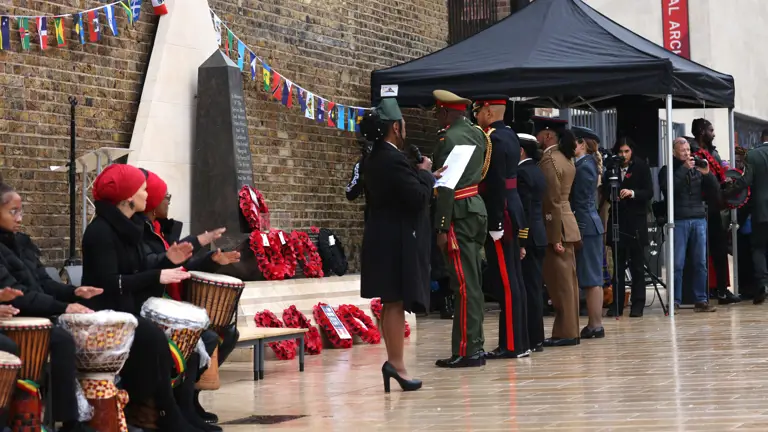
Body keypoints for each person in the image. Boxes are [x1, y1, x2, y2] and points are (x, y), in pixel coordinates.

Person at [80, 164, 207, 432]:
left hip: (127, 308)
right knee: (153, 338)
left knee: (182, 341)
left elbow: (138, 269)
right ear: (128, 197)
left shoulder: (129, 227)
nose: (147, 193)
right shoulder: (99, 232)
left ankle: (167, 410)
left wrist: (166, 260)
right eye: (142, 188)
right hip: (105, 314)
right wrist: (157, 275)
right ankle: (159, 412)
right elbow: (108, 284)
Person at [139, 169, 240, 426]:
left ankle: (190, 398)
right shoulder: (142, 233)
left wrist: (212, 260)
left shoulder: (162, 229)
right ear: (151, 202)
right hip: (150, 307)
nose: (168, 201)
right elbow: (154, 266)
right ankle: (180, 405)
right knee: (202, 336)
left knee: (228, 333)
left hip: (170, 302)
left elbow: (185, 265)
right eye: (165, 196)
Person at [0, 183, 104, 432]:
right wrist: (63, 307)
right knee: (61, 340)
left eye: (21, 211)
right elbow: (18, 297)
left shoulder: (20, 244)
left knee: (83, 332)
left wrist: (73, 292)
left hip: (36, 312)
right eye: (13, 212)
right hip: (17, 316)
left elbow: (43, 282)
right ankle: (69, 421)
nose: (20, 218)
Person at [359, 98, 437, 391]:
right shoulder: (390, 158)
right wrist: (427, 175)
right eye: (403, 124)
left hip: (383, 238)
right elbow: (417, 198)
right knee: (393, 302)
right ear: (395, 127)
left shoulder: (375, 156)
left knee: (393, 302)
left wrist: (421, 176)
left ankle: (396, 364)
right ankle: (396, 364)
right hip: (393, 241)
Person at [432, 90, 488, 368]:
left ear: (445, 113)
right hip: (476, 208)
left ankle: (467, 351)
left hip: (458, 212)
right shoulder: (478, 134)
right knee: (473, 283)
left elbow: (445, 185)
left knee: (463, 286)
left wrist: (441, 227)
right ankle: (475, 344)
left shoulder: (447, 139)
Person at [472, 96, 530, 359]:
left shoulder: (492, 139)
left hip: (502, 213)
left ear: (487, 111)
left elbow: (495, 183)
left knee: (507, 282)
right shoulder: (511, 136)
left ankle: (511, 344)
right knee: (514, 280)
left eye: (478, 112)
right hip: (513, 208)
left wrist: (495, 221)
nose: (477, 117)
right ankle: (520, 340)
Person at [659, 138, 718, 312]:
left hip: (699, 218)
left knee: (700, 262)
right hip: (679, 219)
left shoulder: (698, 167)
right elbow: (668, 190)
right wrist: (684, 170)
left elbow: (714, 191)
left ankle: (701, 300)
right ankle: (674, 301)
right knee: (677, 263)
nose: (686, 153)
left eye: (688, 150)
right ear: (674, 152)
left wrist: (707, 173)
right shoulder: (668, 170)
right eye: (682, 150)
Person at [537, 125, 581, 347]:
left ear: (547, 135)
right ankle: (570, 329)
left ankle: (566, 332)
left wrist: (553, 237)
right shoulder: (565, 158)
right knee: (568, 282)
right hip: (567, 221)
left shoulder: (549, 160)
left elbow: (551, 200)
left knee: (560, 284)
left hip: (557, 226)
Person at [691, 119, 740, 304]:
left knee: (719, 250)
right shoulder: (694, 153)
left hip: (714, 206)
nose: (714, 133)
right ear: (702, 131)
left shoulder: (714, 153)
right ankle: (703, 292)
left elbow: (722, 172)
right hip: (699, 206)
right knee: (700, 252)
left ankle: (721, 290)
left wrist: (726, 180)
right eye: (711, 130)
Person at [603, 136, 653, 317]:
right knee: (618, 266)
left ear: (632, 151)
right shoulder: (611, 167)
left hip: (636, 222)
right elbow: (605, 191)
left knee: (637, 266)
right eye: (620, 152)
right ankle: (617, 303)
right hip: (618, 219)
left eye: (626, 151)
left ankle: (638, 303)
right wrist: (612, 194)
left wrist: (632, 193)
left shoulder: (641, 167)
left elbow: (649, 192)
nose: (623, 155)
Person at [571, 127, 605, 338]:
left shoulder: (585, 166)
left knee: (592, 278)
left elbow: (582, 203)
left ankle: (595, 325)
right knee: (591, 277)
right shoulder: (586, 164)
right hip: (589, 224)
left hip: (587, 226)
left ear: (582, 144)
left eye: (574, 142)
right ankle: (594, 324)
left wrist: (579, 232)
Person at [517, 133, 547, 352]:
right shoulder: (537, 171)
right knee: (535, 287)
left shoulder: (521, 173)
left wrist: (521, 241)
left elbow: (524, 209)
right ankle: (537, 337)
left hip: (529, 236)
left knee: (529, 288)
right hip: (540, 234)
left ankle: (531, 337)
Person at [731, 130, 768, 304]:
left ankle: (761, 285)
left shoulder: (753, 155)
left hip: (761, 211)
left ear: (762, 138)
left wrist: (727, 189)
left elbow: (745, 181)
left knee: (758, 248)